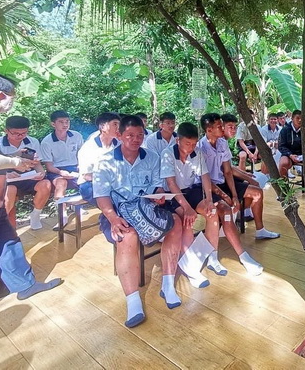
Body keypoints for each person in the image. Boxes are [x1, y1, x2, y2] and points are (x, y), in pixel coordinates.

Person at [0, 71, 62, 300]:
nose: (12, 102)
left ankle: (25, 285)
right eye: (12, 97)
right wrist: (15, 162)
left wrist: (12, 155)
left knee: (7, 240)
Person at [93, 115, 185, 328]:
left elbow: (157, 185)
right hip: (117, 212)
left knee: (175, 223)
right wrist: (113, 218)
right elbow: (101, 196)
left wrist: (159, 195)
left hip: (147, 208)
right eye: (130, 135)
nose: (135, 139)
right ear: (119, 135)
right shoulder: (105, 162)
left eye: (140, 135)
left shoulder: (151, 157)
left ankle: (168, 284)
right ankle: (133, 300)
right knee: (127, 235)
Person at [200, 113, 279, 249]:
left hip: (223, 182)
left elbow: (228, 171)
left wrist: (235, 195)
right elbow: (205, 179)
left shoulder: (222, 143)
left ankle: (260, 230)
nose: (223, 128)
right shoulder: (201, 148)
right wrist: (227, 195)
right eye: (220, 126)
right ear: (209, 130)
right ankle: (226, 225)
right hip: (209, 187)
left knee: (257, 192)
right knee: (231, 202)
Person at [160, 122, 222, 282]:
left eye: (194, 144)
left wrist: (209, 200)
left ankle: (213, 257)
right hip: (173, 195)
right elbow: (171, 183)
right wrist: (187, 208)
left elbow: (205, 176)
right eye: (187, 143)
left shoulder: (197, 153)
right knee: (187, 219)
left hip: (190, 190)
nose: (191, 147)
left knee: (212, 213)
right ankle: (189, 266)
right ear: (178, 141)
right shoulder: (167, 154)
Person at [0, 116, 52, 229]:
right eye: (15, 133)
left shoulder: (32, 141)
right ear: (6, 130)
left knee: (45, 184)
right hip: (7, 177)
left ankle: (36, 214)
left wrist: (41, 173)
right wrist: (5, 173)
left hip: (28, 175)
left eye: (24, 133)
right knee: (10, 190)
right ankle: (1, 224)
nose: (20, 136)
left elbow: (37, 163)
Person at [40, 110, 84, 215]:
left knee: (88, 181)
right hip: (56, 170)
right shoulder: (47, 142)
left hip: (75, 167)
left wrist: (81, 167)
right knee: (61, 183)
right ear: (53, 124)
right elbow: (49, 166)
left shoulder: (76, 136)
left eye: (67, 121)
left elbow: (83, 155)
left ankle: (78, 206)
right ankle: (62, 214)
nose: (65, 124)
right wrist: (61, 172)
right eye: (61, 122)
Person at [77, 112, 120, 205]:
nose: (118, 128)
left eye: (119, 124)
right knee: (113, 201)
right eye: (115, 124)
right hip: (90, 184)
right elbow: (86, 176)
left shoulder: (120, 144)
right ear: (103, 127)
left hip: (115, 183)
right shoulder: (88, 148)